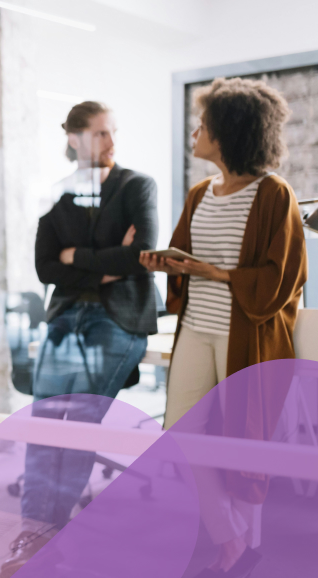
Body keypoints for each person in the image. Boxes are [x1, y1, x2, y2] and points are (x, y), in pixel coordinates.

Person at [141, 77, 305, 576]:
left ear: (229, 132)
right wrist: (166, 263)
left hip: (247, 336)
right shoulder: (200, 193)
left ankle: (242, 545)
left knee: (242, 441)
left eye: (204, 125)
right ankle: (231, 537)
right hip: (197, 329)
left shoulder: (276, 195)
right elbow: (187, 258)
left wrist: (218, 273)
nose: (195, 132)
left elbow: (282, 279)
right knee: (182, 432)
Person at [1, 101, 159, 578]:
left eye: (113, 133)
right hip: (67, 315)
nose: (111, 143)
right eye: (100, 135)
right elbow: (44, 267)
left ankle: (50, 535)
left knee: (80, 421)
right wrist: (105, 262)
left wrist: (77, 258)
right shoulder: (59, 194)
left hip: (118, 317)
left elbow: (142, 254)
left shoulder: (136, 185)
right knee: (44, 421)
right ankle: (33, 530)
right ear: (73, 138)